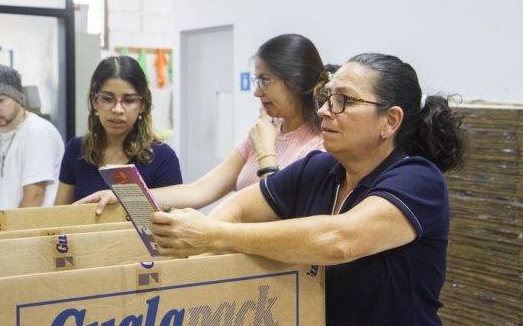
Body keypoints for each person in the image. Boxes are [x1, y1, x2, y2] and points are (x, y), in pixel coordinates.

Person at [147, 53, 469, 325]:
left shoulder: (418, 179)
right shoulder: (317, 168)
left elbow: (340, 240)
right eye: (326, 97)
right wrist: (205, 240)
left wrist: (216, 235)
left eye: (343, 100)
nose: (325, 110)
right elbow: (241, 207)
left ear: (390, 121)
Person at [77, 34, 331, 211]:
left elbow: (282, 209)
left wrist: (266, 151)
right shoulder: (261, 134)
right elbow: (198, 191)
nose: (257, 92)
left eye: (265, 81)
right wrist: (124, 196)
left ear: (296, 82)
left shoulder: (321, 145)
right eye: (257, 81)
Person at [54, 56, 182, 205]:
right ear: (95, 101)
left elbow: (175, 221)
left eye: (129, 101)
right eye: (107, 99)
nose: (117, 109)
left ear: (142, 105)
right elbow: (59, 216)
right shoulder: (76, 150)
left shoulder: (162, 157)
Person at [0, 64, 64, 210]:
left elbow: (34, 198)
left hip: (30, 231)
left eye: (0, 100)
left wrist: (12, 233)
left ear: (18, 99)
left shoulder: (38, 133)